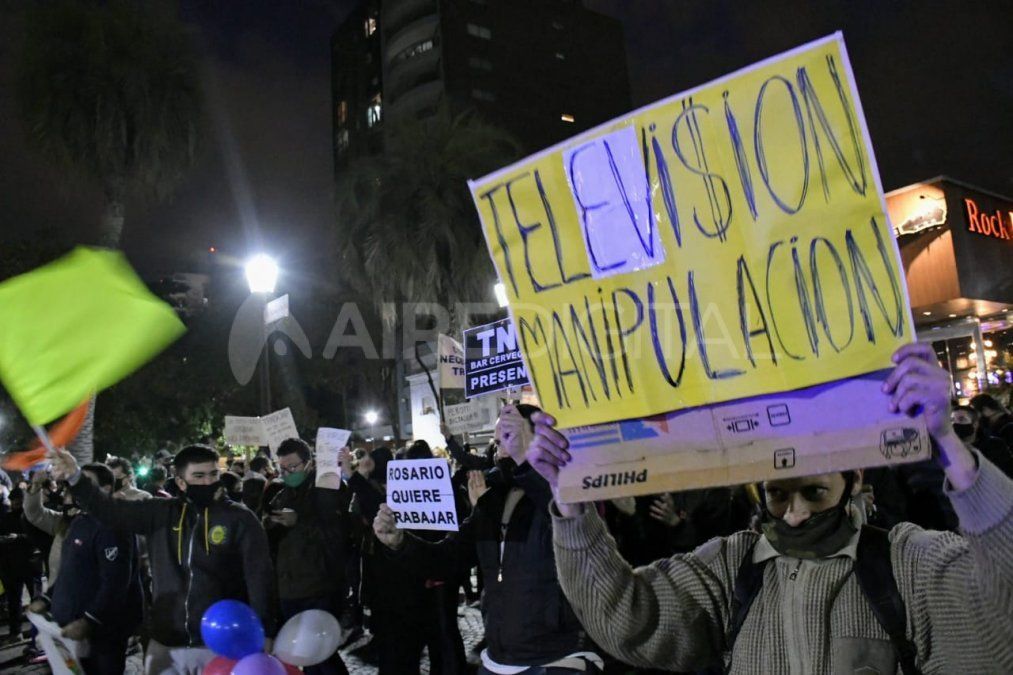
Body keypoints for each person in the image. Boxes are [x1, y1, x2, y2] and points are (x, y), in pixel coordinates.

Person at [525, 343, 1013, 673]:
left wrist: (947, 439)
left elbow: (1002, 611)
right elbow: (627, 619)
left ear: (855, 478)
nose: (795, 514)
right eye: (778, 495)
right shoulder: (730, 567)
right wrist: (570, 501)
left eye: (814, 493)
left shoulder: (909, 564)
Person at [374, 404, 603, 675]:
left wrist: (528, 463)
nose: (500, 448)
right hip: (499, 659)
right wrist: (400, 542)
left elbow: (576, 527)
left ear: (539, 438)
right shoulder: (491, 501)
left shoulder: (568, 491)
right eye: (497, 441)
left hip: (559, 658)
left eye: (510, 436)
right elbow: (447, 558)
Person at [49, 444, 276, 675]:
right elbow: (108, 509)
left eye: (213, 474)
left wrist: (265, 632)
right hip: (165, 642)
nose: (208, 482)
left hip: (221, 644)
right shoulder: (158, 512)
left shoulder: (241, 519)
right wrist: (76, 477)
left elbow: (259, 577)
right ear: (180, 482)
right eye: (199, 476)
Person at [36, 463, 143, 674]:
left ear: (105, 490)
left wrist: (89, 621)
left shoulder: (114, 526)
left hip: (103, 634)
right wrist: (47, 599)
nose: (77, 488)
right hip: (73, 631)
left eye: (85, 483)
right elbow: (70, 571)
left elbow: (116, 582)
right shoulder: (79, 522)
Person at [266, 438, 351, 675]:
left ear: (309, 463)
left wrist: (299, 521)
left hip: (320, 588)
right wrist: (270, 524)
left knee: (321, 655)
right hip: (289, 589)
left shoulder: (327, 489)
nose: (287, 473)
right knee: (307, 656)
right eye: (282, 469)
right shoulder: (281, 494)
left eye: (292, 467)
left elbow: (337, 535)